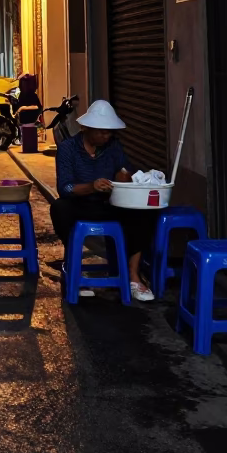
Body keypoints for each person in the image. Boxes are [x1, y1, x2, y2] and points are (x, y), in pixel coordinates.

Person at [50, 99, 155, 302]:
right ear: (86, 128)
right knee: (59, 208)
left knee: (145, 212)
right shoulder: (67, 149)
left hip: (108, 204)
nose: (106, 136)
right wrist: (91, 186)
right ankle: (75, 270)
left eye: (109, 132)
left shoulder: (113, 146)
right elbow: (65, 188)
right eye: (101, 132)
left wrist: (126, 175)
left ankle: (133, 275)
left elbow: (124, 169)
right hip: (80, 205)